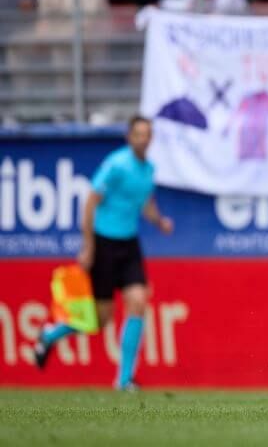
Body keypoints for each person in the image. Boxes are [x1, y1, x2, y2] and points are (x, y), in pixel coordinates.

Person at [32, 116, 174, 391]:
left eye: (147, 134)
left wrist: (159, 221)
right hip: (105, 243)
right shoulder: (116, 165)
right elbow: (90, 201)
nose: (143, 139)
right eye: (139, 134)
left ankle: (123, 380)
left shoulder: (148, 169)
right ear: (129, 137)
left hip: (129, 243)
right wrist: (88, 246)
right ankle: (50, 335)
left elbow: (143, 202)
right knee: (99, 319)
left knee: (138, 301)